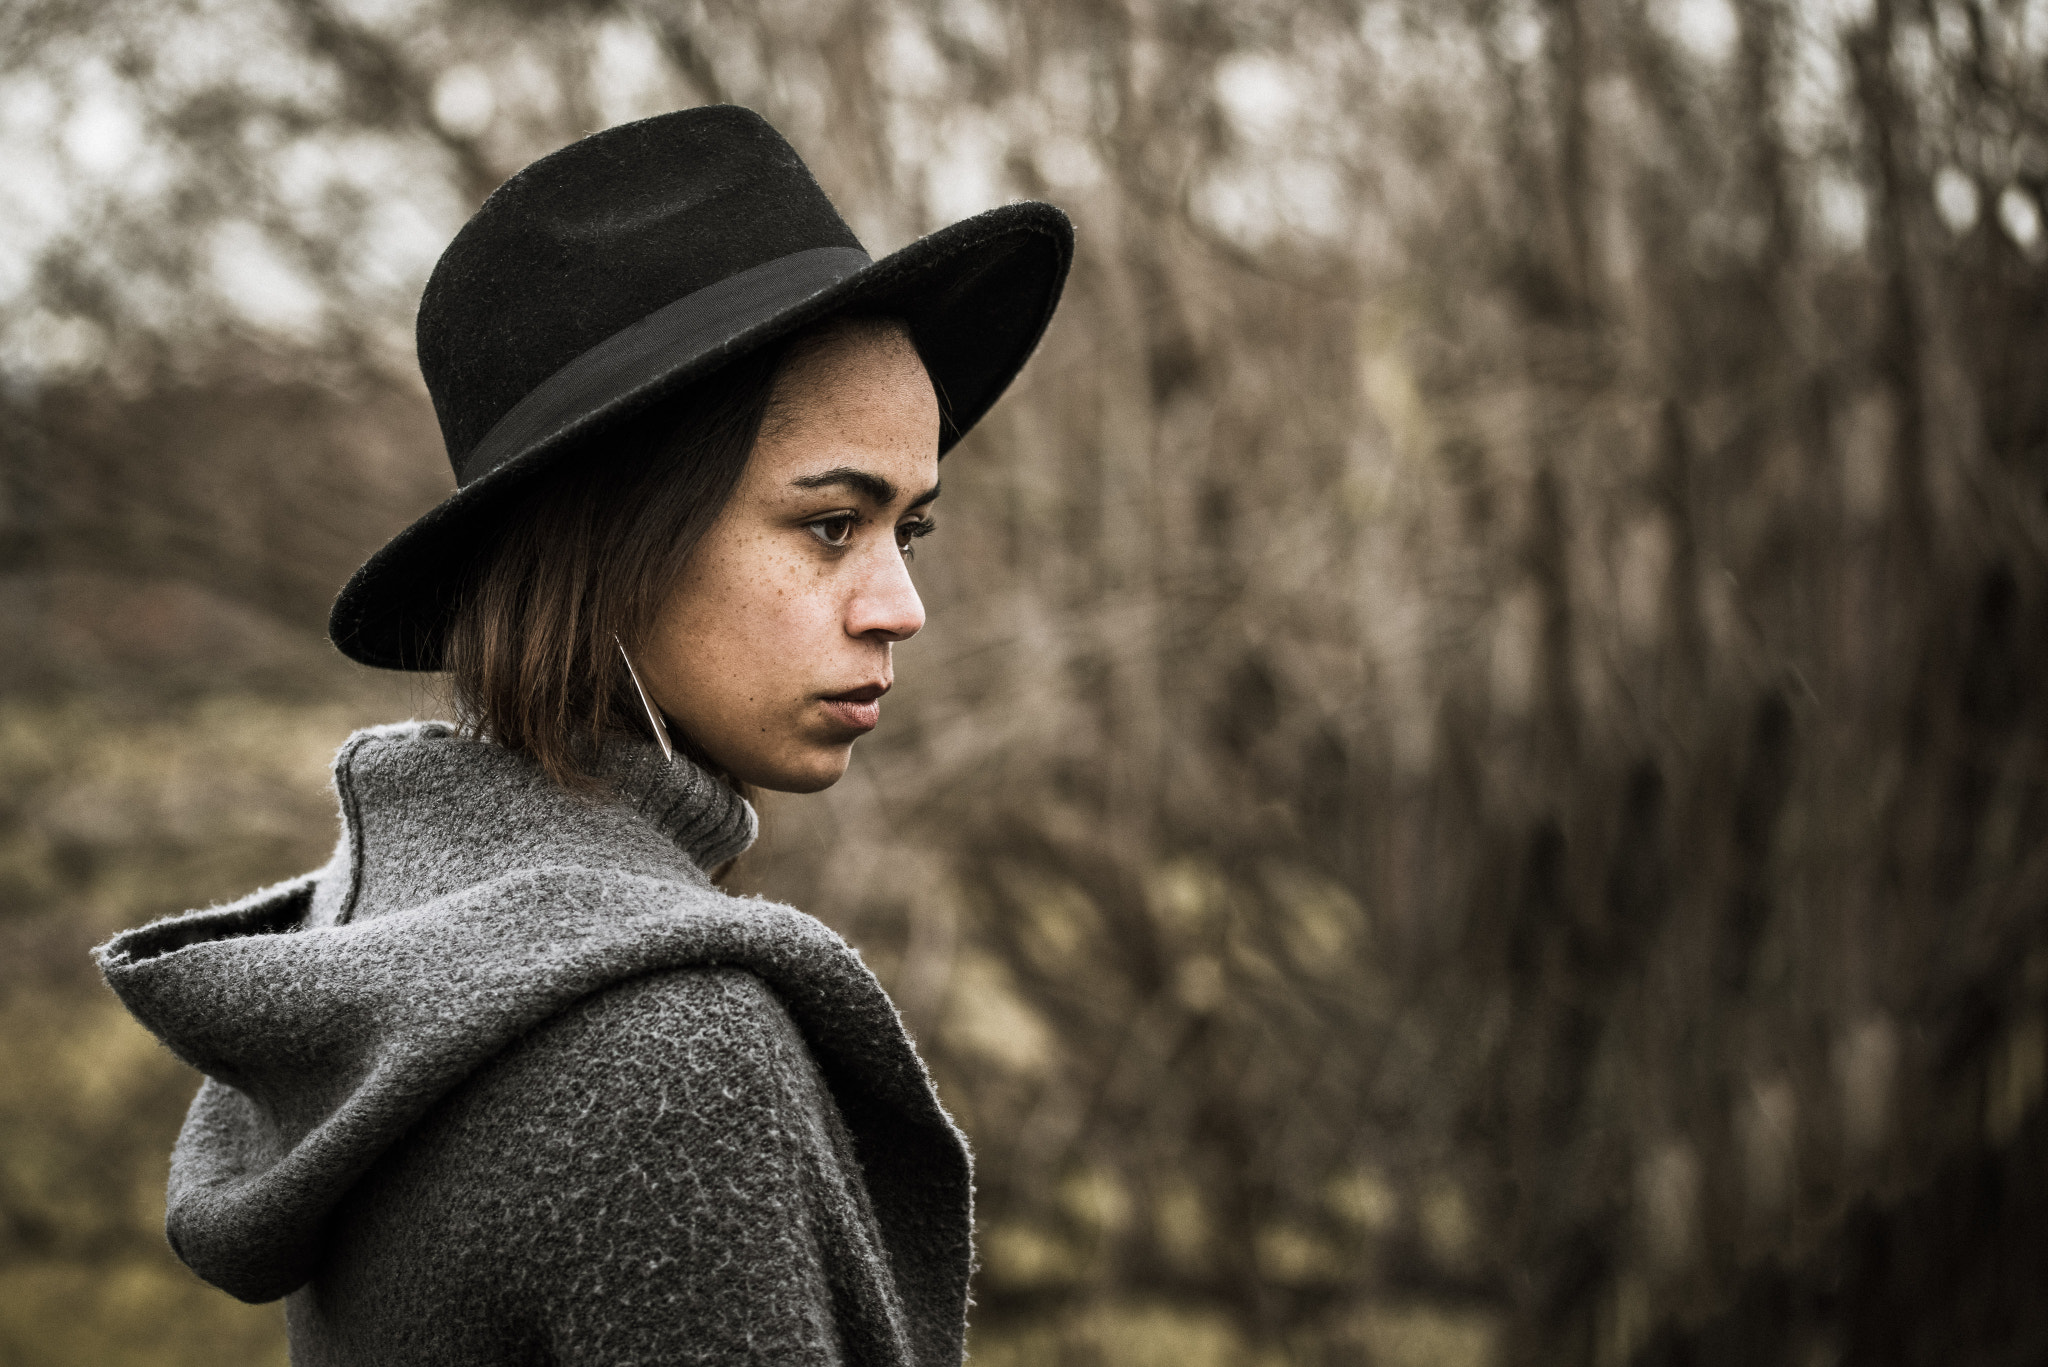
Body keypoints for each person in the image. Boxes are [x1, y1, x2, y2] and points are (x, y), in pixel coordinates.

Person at [94, 105, 1071, 1365]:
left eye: (910, 529)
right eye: (832, 524)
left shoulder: (405, 928)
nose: (901, 606)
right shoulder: (669, 1060)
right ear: (618, 538)